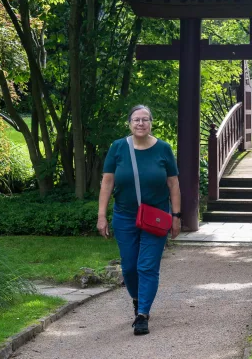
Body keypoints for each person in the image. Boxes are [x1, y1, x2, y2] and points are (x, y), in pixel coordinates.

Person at [97, 104, 181, 336]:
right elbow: (107, 182)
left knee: (147, 266)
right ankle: (136, 298)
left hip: (156, 217)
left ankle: (142, 314)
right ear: (130, 123)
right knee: (130, 266)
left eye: (145, 119)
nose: (141, 123)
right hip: (125, 216)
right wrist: (102, 215)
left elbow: (173, 184)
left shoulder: (163, 149)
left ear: (151, 122)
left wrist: (176, 216)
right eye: (136, 120)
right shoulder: (118, 148)